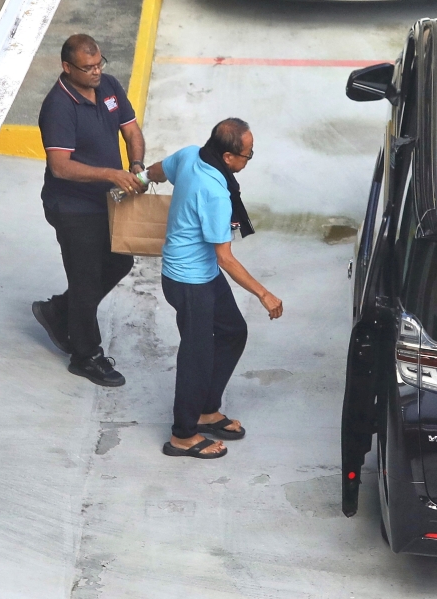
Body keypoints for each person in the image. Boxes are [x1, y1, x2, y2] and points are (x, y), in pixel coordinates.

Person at [146, 118, 283, 459]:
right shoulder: (215, 193)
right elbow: (226, 258)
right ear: (227, 156)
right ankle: (183, 435)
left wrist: (138, 178)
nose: (249, 160)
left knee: (233, 331)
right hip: (188, 281)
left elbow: (158, 170)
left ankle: (207, 410)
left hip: (202, 274)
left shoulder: (191, 155)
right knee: (197, 355)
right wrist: (263, 294)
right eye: (247, 155)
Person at [31, 34, 146, 387]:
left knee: (120, 261)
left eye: (99, 64)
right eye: (88, 67)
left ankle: (59, 310)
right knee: (85, 278)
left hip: (107, 202)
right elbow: (60, 167)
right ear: (67, 67)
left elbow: (130, 130)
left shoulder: (108, 86)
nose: (96, 72)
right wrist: (112, 173)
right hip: (72, 207)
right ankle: (86, 356)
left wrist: (137, 165)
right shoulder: (58, 107)